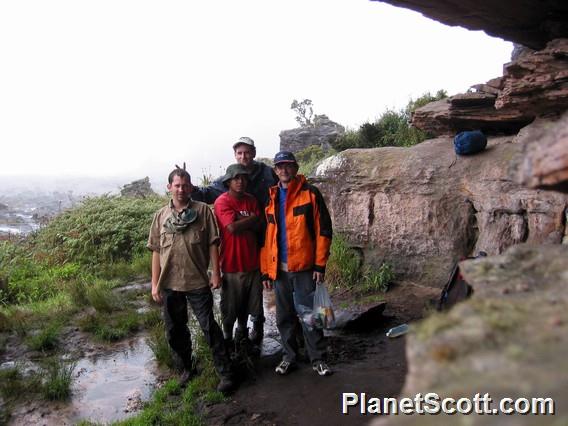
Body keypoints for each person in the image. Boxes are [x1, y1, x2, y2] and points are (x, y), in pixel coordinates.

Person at [147, 165, 235, 392]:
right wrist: (154, 283)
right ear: (169, 187)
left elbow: (213, 243)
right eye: (177, 185)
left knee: (209, 328)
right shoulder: (160, 216)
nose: (181, 189)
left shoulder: (204, 211)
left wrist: (216, 273)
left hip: (197, 281)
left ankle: (225, 373)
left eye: (185, 185)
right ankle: (187, 368)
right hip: (169, 284)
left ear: (191, 187)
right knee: (175, 331)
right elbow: (156, 251)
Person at [192, 136, 277, 345]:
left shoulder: (266, 173)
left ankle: (255, 329)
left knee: (255, 298)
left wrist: (243, 219)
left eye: (247, 152)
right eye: (239, 153)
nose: (243, 156)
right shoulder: (225, 188)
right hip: (233, 256)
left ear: (254, 153)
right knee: (232, 303)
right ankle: (233, 339)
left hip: (263, 244)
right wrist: (189, 188)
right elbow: (229, 222)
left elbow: (262, 215)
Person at [260, 151, 334, 376]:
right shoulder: (271, 198)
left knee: (312, 316)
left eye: (288, 165)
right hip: (279, 271)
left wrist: (320, 265)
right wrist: (266, 272)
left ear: (296, 167)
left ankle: (318, 358)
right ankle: (289, 357)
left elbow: (324, 230)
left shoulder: (310, 194)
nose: (284, 170)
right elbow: (267, 237)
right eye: (280, 166)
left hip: (305, 269)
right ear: (275, 171)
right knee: (284, 317)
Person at [213, 163, 262, 353]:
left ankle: (242, 337)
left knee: (250, 306)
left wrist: (244, 221)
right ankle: (227, 342)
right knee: (229, 308)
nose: (240, 182)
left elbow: (259, 225)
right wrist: (251, 219)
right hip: (231, 264)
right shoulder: (222, 201)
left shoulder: (252, 200)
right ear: (228, 181)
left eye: (243, 178)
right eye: (236, 178)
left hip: (253, 263)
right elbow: (232, 227)